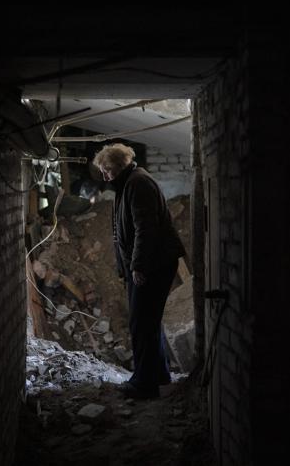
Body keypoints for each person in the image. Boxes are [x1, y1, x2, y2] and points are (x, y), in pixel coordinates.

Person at [93, 143, 186, 399]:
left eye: (107, 170)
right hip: (152, 262)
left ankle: (144, 384)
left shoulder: (138, 184)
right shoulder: (129, 183)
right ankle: (157, 376)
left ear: (121, 165)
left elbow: (146, 229)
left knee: (141, 323)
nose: (104, 176)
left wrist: (138, 266)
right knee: (148, 321)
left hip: (153, 264)